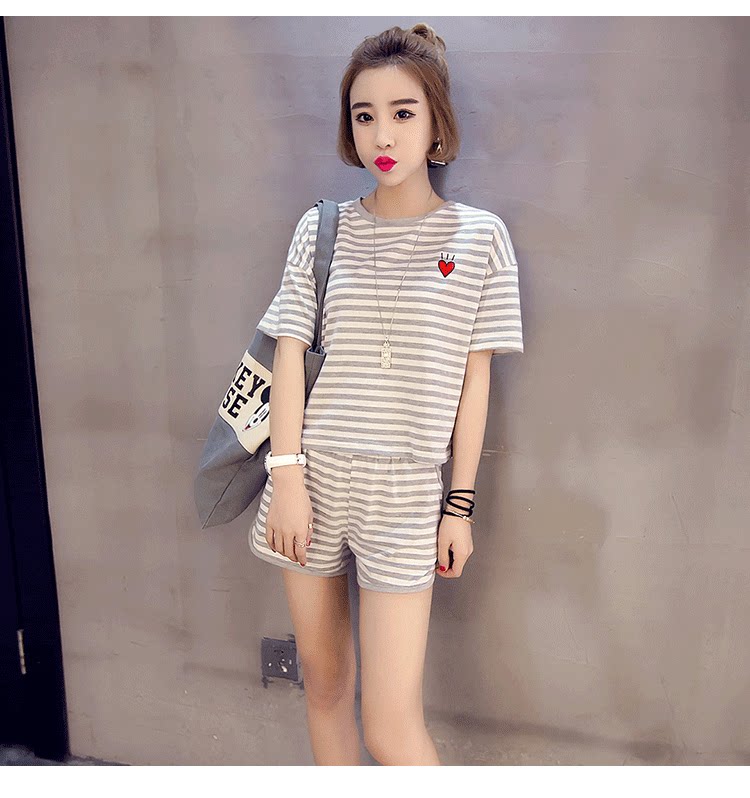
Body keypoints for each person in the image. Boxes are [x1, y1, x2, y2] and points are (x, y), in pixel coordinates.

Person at [248, 23, 523, 766]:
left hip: (405, 492)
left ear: (436, 121)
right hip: (310, 479)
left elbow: (475, 382)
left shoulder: (480, 239)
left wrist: (458, 507)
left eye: (403, 112)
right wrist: (288, 477)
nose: (383, 135)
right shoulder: (321, 229)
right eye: (364, 115)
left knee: (391, 726)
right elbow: (288, 354)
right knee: (325, 688)